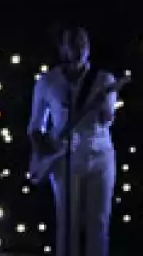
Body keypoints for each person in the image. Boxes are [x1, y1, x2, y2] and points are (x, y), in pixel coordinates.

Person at [27, 27, 119, 256]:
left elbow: (107, 119)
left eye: (83, 43)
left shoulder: (104, 79)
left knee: (98, 222)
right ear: (62, 49)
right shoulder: (47, 81)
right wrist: (45, 153)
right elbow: (35, 126)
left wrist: (105, 111)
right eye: (73, 43)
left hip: (100, 156)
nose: (79, 49)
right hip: (65, 158)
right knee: (68, 223)